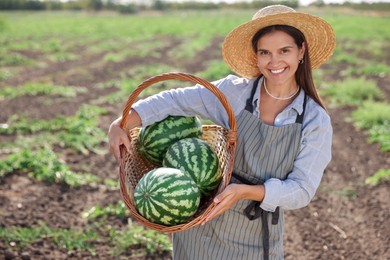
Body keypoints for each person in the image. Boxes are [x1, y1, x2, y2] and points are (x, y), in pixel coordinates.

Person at [108, 4, 336, 260]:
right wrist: (121, 123)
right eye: (265, 52)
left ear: (301, 51)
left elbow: (302, 190)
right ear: (256, 55)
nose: (274, 62)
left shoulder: (314, 119)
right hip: (202, 224)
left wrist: (246, 192)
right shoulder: (236, 93)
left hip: (254, 234)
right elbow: (175, 100)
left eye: (285, 50)